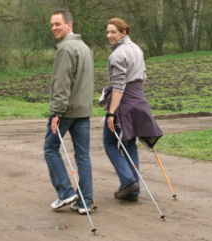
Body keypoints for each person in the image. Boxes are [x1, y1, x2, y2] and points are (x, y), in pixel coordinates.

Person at [102, 18, 163, 202]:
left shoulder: (117, 55)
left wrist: (111, 113)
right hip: (138, 100)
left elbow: (119, 86)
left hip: (124, 103)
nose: (109, 36)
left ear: (123, 32)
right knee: (129, 144)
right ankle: (133, 190)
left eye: (113, 32)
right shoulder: (137, 49)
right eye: (108, 32)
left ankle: (128, 181)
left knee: (110, 143)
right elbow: (143, 78)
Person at [44, 9, 94, 214]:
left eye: (58, 24)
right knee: (83, 156)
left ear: (69, 24)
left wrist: (56, 112)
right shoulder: (85, 47)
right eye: (52, 24)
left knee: (50, 149)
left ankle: (65, 192)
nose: (54, 28)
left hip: (66, 111)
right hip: (83, 111)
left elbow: (62, 84)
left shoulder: (66, 49)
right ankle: (85, 202)